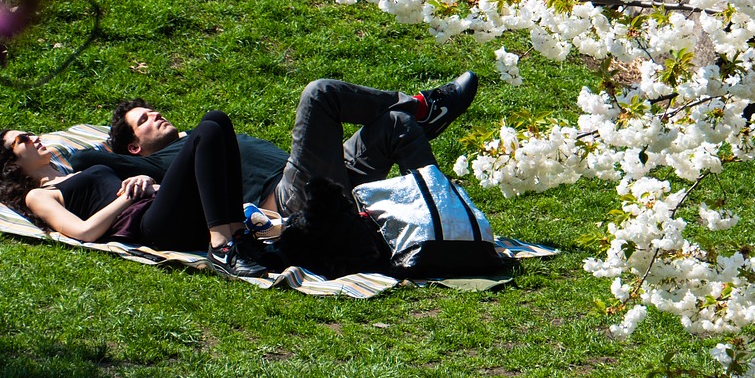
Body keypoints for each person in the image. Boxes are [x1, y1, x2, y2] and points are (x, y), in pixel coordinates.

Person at [72, 72, 479, 220]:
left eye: (152, 110)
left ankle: (443, 218)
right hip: (289, 201)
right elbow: (83, 157)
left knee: (394, 125)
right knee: (319, 95)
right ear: (133, 149)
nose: (155, 115)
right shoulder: (165, 165)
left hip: (320, 177)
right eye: (142, 121)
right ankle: (425, 106)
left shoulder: (198, 138)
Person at [0, 110, 270, 278]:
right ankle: (221, 247)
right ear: (12, 164)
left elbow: (129, 190)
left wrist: (143, 180)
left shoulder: (72, 175)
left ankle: (237, 239)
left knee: (218, 121)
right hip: (150, 225)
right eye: (22, 140)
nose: (34, 138)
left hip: (160, 207)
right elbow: (84, 231)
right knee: (207, 128)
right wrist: (127, 198)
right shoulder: (39, 195)